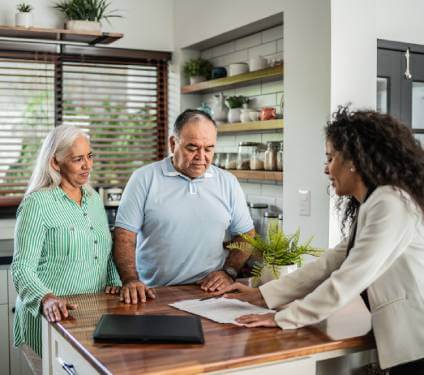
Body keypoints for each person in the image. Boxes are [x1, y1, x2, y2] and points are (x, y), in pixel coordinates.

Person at [214, 108, 424, 374]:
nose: (326, 168)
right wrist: (263, 295)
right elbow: (328, 265)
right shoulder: (377, 202)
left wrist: (285, 318)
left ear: (354, 160)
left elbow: (349, 277)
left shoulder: (390, 203)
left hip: (417, 341)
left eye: (330, 157)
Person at [113, 109, 255, 304]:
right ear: (173, 144)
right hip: (154, 294)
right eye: (192, 148)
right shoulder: (144, 178)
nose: (201, 156)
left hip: (209, 294)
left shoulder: (228, 182)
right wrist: (130, 280)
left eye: (208, 148)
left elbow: (247, 236)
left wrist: (229, 272)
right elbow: (124, 236)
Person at [12, 125, 121, 374]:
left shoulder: (93, 198)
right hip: (47, 323)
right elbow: (22, 268)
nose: (87, 166)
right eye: (78, 159)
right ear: (55, 162)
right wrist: (46, 298)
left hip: (88, 319)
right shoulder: (36, 204)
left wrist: (114, 279)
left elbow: (103, 249)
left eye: (90, 156)